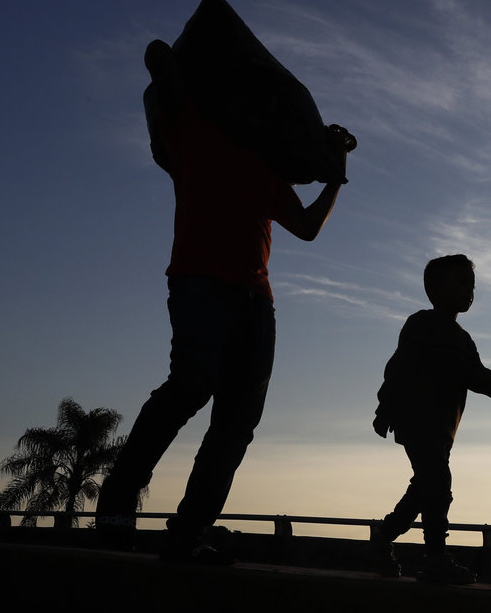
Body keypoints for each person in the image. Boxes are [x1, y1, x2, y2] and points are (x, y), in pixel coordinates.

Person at [94, 39, 356, 565]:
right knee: (190, 384)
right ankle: (118, 503)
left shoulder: (266, 169)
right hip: (199, 284)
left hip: (256, 300)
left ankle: (188, 533)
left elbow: (305, 228)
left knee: (237, 422)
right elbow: (155, 53)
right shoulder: (193, 131)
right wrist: (197, 68)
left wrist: (337, 174)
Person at [369, 254, 491, 584]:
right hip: (416, 421)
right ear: (434, 289)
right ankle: (435, 559)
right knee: (438, 485)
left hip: (443, 429)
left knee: (425, 488)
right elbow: (399, 367)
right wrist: (385, 409)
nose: (469, 290)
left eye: (471, 284)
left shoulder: (462, 341)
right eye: (460, 282)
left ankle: (383, 537)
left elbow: (478, 376)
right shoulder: (421, 325)